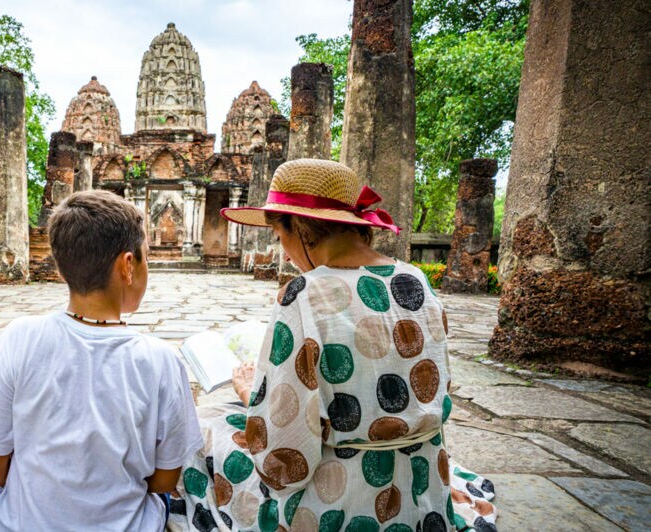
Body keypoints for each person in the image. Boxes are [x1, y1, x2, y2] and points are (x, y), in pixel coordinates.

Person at [167, 159, 496, 532]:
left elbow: (286, 463)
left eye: (281, 238)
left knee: (203, 429)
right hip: (422, 493)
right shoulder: (416, 280)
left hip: (336, 507)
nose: (286, 253)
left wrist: (252, 397)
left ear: (303, 230)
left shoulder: (305, 296)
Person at [0, 190, 203, 531]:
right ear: (128, 265)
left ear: (62, 269)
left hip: (18, 524)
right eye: (145, 256)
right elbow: (164, 480)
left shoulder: (20, 337)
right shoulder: (162, 361)